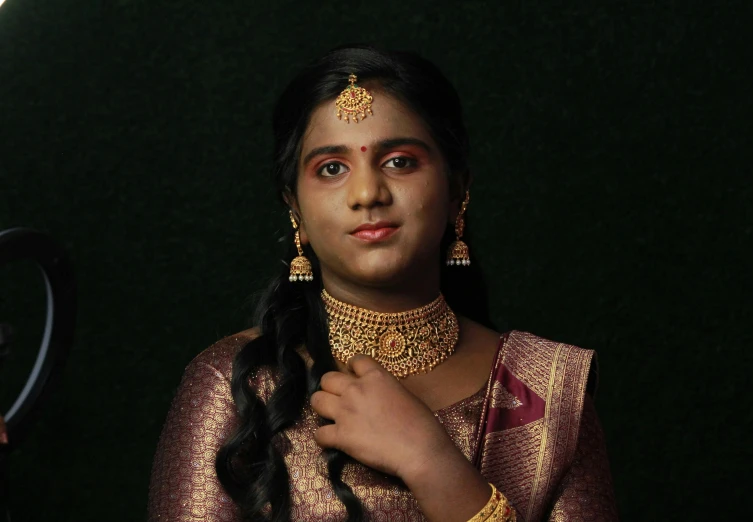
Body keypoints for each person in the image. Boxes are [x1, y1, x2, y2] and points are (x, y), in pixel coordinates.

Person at [147, 44, 618, 522]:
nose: (368, 193)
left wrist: (429, 459)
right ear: (296, 211)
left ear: (457, 191)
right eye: (332, 168)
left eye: (400, 161)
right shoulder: (238, 384)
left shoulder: (547, 389)